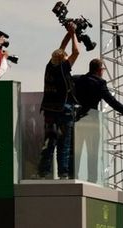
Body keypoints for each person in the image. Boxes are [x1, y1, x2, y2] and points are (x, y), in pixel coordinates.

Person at [73, 58, 123, 180]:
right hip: (92, 121)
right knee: (92, 152)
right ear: (99, 70)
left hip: (77, 120)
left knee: (77, 151)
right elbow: (111, 101)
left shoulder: (77, 79)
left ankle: (74, 176)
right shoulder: (100, 83)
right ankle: (92, 179)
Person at [38, 22, 80, 179]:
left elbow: (62, 47)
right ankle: (63, 173)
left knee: (49, 142)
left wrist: (69, 33)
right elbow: (76, 52)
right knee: (64, 143)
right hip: (64, 109)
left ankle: (43, 172)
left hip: (49, 110)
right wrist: (74, 34)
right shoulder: (63, 67)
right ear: (63, 59)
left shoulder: (50, 65)